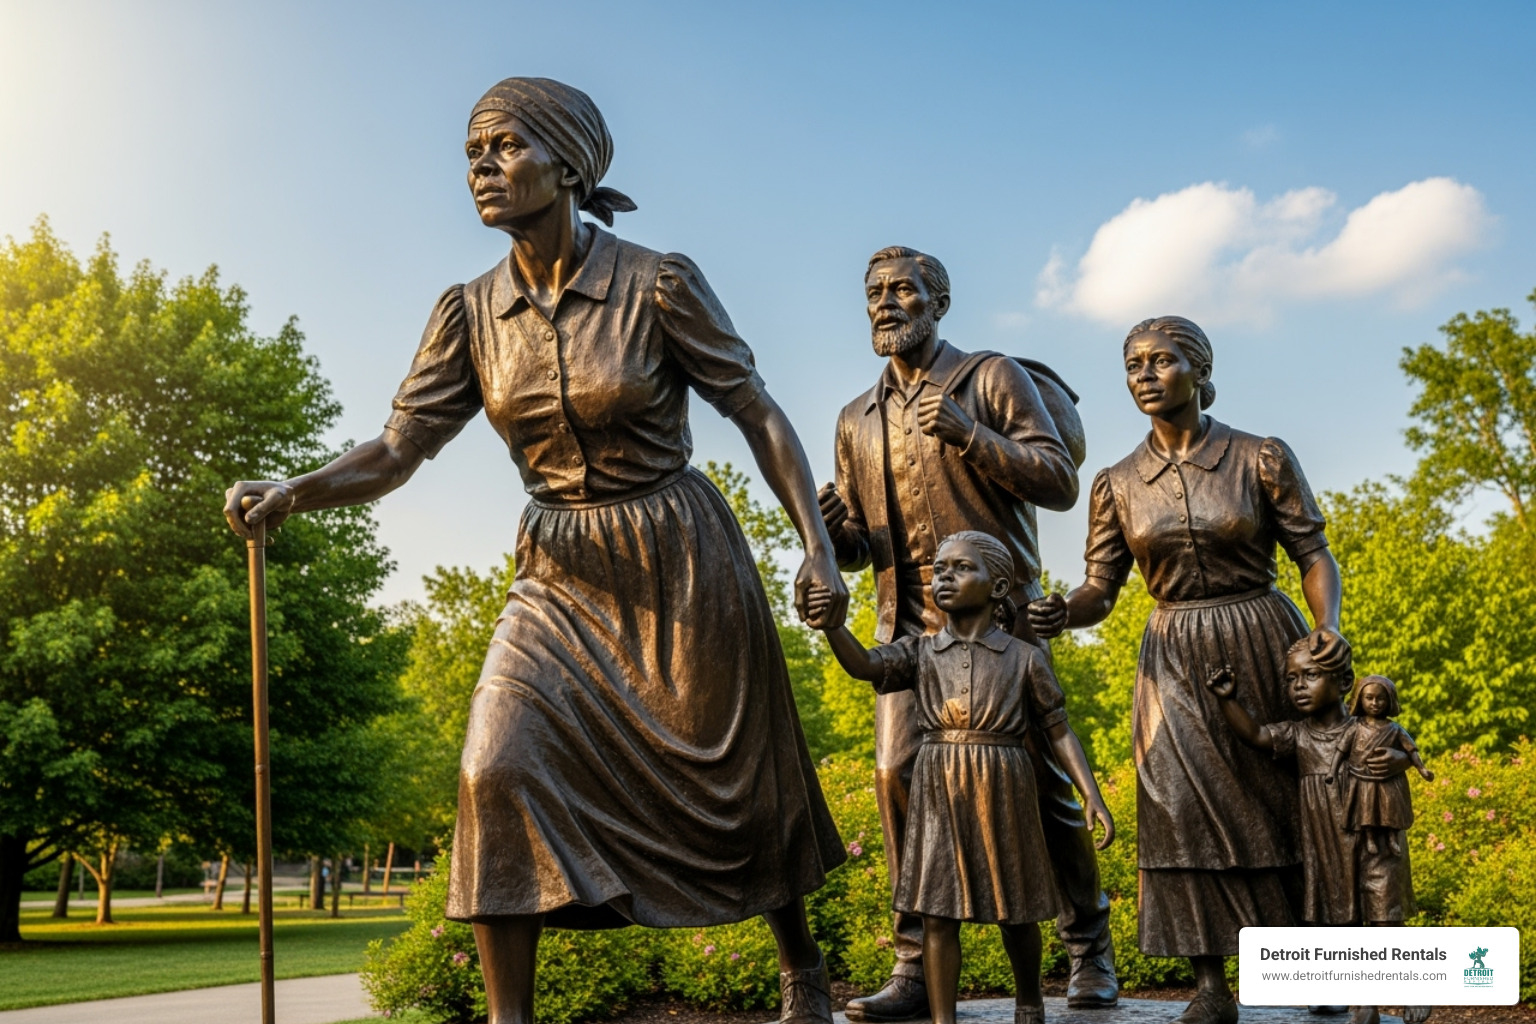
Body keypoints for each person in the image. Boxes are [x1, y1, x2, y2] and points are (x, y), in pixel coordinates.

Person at [224, 77, 848, 1024]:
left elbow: (754, 409)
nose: (481, 165)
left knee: (737, 782)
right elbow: (401, 447)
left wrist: (817, 548)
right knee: (493, 765)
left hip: (679, 554)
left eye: (505, 146)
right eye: (472, 151)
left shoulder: (657, 282)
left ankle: (799, 964)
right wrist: (293, 493)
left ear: (568, 164)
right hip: (557, 569)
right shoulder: (469, 313)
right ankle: (510, 1018)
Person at [818, 247, 1117, 1017]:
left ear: (938, 300)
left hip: (1002, 625)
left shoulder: (990, 377)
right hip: (911, 636)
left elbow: (1056, 479)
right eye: (873, 293)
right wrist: (837, 532)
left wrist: (966, 434)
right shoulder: (857, 417)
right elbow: (861, 550)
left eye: (903, 291)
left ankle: (1089, 945)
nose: (887, 304)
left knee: (1045, 787)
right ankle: (915, 966)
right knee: (895, 778)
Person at [1027, 315, 1351, 1024]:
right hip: (1171, 656)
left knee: (1283, 805)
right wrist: (1062, 611)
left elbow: (1312, 553)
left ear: (1199, 372)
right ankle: (1211, 987)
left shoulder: (1259, 456)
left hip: (1264, 640)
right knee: (1180, 812)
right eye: (1132, 363)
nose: (1144, 374)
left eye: (1161, 361)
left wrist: (1327, 628)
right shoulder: (1116, 483)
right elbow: (1100, 588)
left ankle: (1314, 969)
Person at [808, 531, 1113, 1024]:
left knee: (1017, 908)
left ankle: (1029, 1003)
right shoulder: (920, 651)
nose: (943, 576)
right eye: (939, 568)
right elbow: (865, 665)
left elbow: (1059, 731)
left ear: (997, 588)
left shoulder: (1025, 658)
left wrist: (1091, 794)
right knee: (936, 910)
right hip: (939, 786)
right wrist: (833, 627)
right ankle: (943, 1019)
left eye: (960, 568)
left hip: (1005, 784)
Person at [1207, 641, 1428, 1024]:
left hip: (1375, 838)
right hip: (1328, 844)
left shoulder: (1366, 728)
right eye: (1291, 678)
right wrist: (1228, 700)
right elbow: (1258, 735)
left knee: (1384, 914)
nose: (1298, 686)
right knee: (1342, 920)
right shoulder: (1298, 735)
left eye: (1310, 675)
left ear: (1344, 681)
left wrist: (1401, 762)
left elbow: (1405, 748)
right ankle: (1359, 1000)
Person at [1332, 676, 1434, 856]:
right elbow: (1341, 750)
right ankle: (1370, 838)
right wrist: (1332, 772)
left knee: (1390, 808)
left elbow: (1411, 750)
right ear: (1360, 700)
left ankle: (1392, 839)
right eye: (1369, 698)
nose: (1375, 703)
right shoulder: (1355, 728)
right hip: (1363, 779)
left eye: (1380, 698)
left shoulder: (1394, 729)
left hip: (1388, 780)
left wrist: (1422, 769)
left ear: (1389, 701)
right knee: (1367, 810)